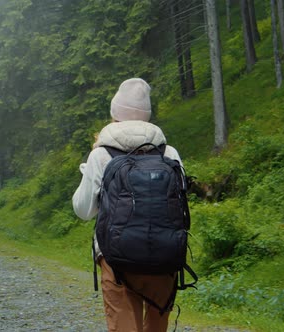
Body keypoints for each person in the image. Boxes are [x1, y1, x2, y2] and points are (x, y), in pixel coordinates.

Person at [72, 78, 182, 332]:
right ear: (147, 116)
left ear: (115, 115)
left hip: (116, 258)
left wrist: (87, 174)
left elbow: (83, 210)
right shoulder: (169, 153)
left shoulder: (101, 155)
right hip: (164, 257)